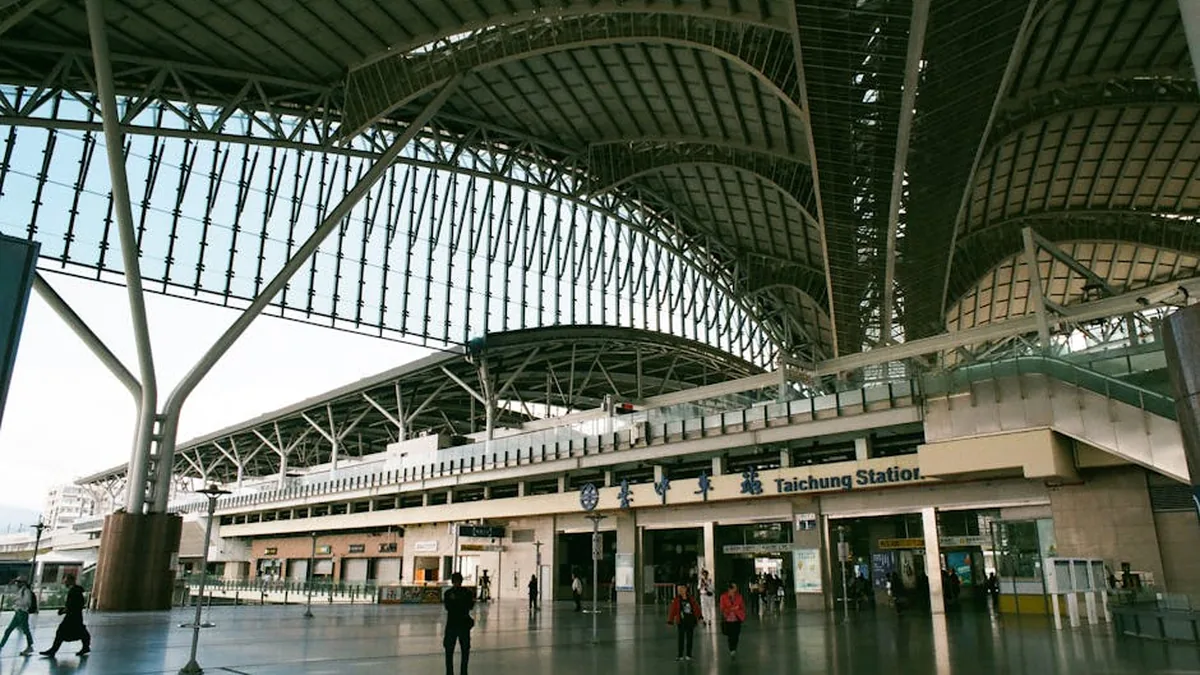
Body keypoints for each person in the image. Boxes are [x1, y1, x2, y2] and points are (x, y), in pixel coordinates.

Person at [40, 574, 89, 658]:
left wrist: (64, 610)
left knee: (61, 632)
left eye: (66, 581)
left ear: (71, 581)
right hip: (75, 616)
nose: (64, 583)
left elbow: (72, 605)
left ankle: (53, 650)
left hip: (72, 617)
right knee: (81, 632)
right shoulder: (77, 591)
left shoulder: (74, 591)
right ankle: (85, 647)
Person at [443, 572, 475, 675]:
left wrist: (455, 602)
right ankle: (463, 672)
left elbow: (448, 607)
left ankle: (450, 672)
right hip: (463, 624)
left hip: (452, 625)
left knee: (449, 651)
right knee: (465, 651)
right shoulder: (468, 593)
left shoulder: (448, 593)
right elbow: (470, 606)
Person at [666, 583, 703, 662]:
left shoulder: (691, 598)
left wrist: (700, 616)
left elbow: (696, 607)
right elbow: (673, 610)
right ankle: (680, 655)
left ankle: (688, 655)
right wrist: (670, 620)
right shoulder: (677, 600)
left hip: (690, 621)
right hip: (681, 622)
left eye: (682, 589)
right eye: (679, 589)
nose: (680, 591)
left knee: (690, 638)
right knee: (681, 639)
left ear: (685, 589)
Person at [0, 576, 35, 656]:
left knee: (26, 630)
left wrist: (17, 602)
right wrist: (10, 583)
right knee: (9, 629)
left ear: (23, 583)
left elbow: (27, 602)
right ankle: (1, 645)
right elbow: (7, 591)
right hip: (18, 613)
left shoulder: (26, 591)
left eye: (18, 582)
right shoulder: (20, 591)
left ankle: (30, 646)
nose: (17, 584)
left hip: (22, 612)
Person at [718, 581, 746, 658]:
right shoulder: (723, 597)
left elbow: (742, 606)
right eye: (734, 587)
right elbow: (722, 608)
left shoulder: (739, 596)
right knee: (730, 635)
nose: (735, 589)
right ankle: (732, 649)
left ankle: (734, 647)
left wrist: (740, 611)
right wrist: (731, 609)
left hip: (737, 618)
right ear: (730, 589)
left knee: (736, 634)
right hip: (728, 619)